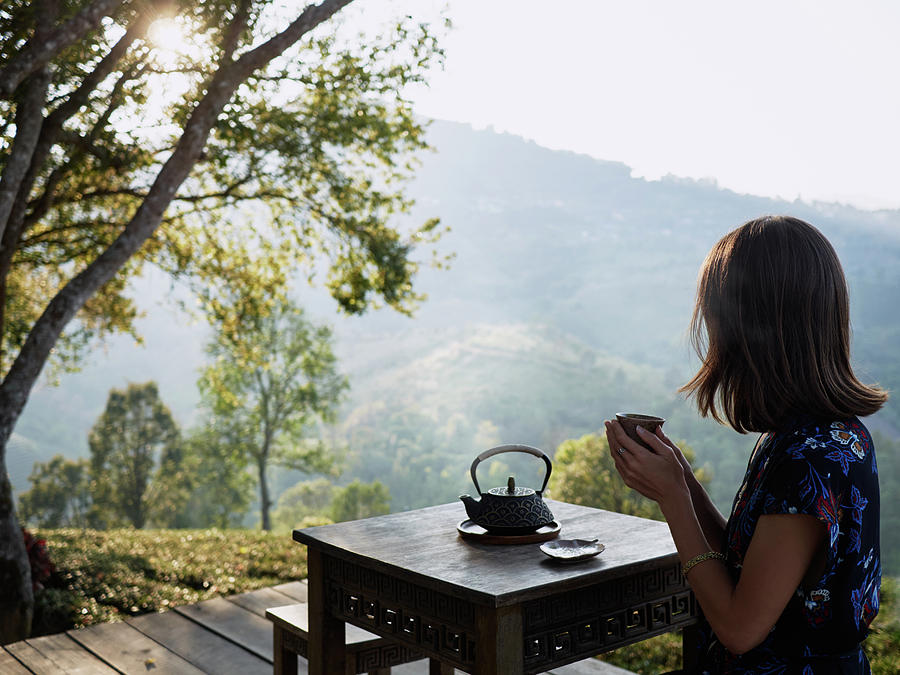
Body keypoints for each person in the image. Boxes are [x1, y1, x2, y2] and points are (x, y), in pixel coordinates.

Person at [604, 216, 886, 674]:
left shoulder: (807, 459)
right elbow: (745, 569)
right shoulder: (821, 435)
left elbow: (739, 628)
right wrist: (684, 482)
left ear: (749, 325)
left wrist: (673, 500)